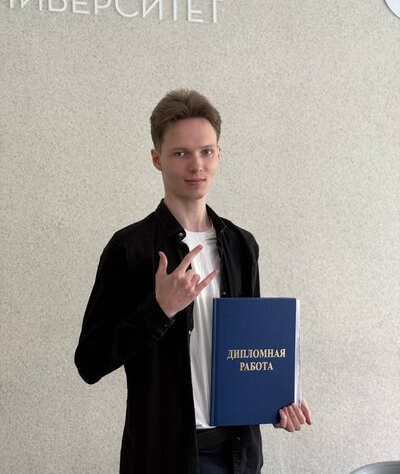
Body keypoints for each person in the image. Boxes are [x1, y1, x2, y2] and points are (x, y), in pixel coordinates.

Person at [74, 89, 312, 474]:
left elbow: (251, 347)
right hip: (163, 456)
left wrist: (277, 399)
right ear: (157, 159)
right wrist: (159, 310)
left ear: (219, 154)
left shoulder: (241, 244)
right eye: (181, 153)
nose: (196, 165)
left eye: (206, 151)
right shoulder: (130, 248)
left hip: (238, 453)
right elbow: (89, 362)